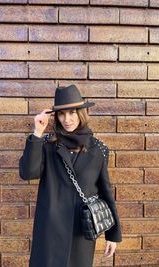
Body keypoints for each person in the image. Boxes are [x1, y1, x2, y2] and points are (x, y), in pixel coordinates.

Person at [19, 84, 122, 267]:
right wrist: (37, 133)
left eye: (72, 112)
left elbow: (105, 192)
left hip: (81, 231)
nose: (67, 119)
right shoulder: (47, 145)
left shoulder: (98, 150)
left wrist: (112, 235)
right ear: (56, 117)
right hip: (50, 230)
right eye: (61, 114)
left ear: (81, 113)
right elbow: (28, 173)